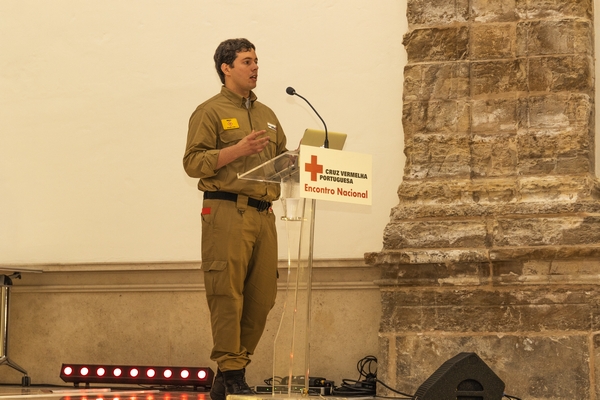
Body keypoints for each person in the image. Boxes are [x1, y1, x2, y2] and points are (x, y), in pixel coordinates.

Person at [183, 38, 287, 400]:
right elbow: (192, 163)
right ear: (226, 68)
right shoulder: (209, 112)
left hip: (264, 214)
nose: (255, 67)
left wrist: (298, 162)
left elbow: (281, 160)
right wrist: (236, 150)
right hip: (226, 210)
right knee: (227, 293)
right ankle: (232, 372)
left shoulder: (268, 115)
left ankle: (228, 371)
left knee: (263, 297)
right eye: (246, 61)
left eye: (256, 60)